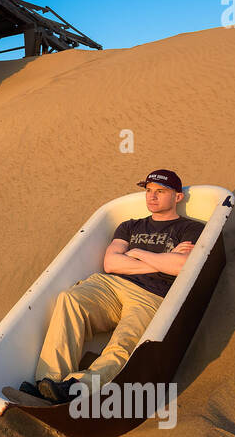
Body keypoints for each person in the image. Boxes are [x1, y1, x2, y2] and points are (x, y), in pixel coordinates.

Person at [15, 169, 204, 405]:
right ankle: (46, 382)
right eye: (148, 190)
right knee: (70, 299)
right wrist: (159, 260)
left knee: (126, 341)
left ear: (177, 197)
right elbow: (111, 263)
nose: (151, 197)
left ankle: (78, 387)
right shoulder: (130, 226)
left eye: (160, 191)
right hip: (111, 285)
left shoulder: (190, 229)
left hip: (153, 295)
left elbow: (181, 266)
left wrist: (135, 254)